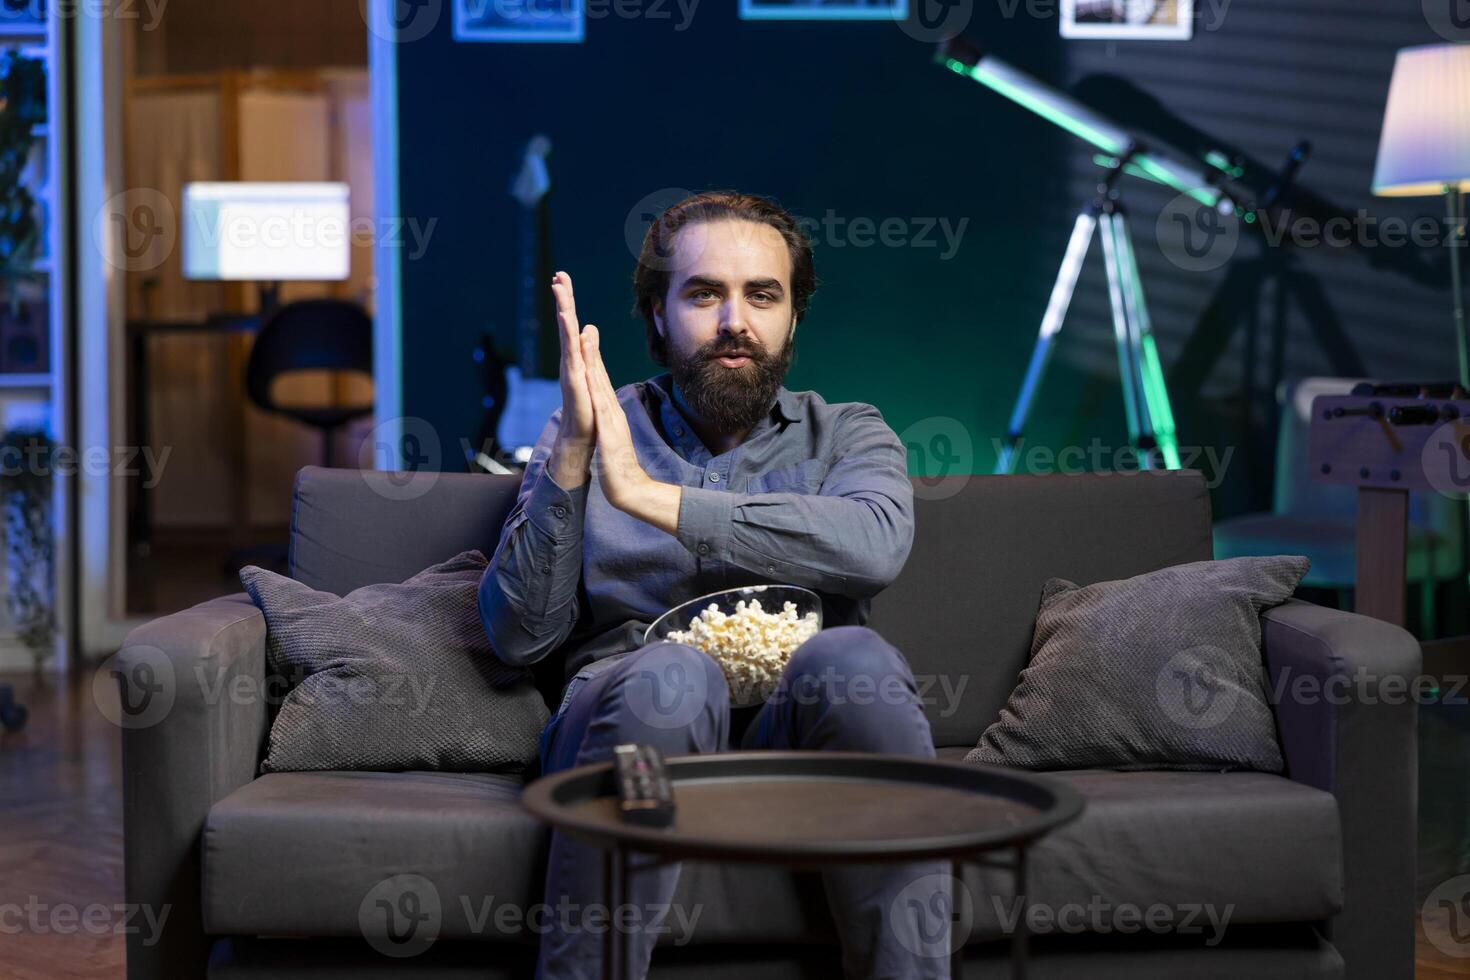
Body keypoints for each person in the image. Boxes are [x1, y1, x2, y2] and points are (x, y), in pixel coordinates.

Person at [479, 190, 947, 979]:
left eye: (762, 295)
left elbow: (874, 550)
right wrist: (573, 457)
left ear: (793, 318)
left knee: (856, 660)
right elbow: (518, 634)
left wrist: (647, 497)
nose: (735, 320)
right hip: (625, 729)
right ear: (657, 316)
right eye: (704, 293)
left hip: (793, 740)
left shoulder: (851, 433)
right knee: (672, 675)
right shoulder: (589, 426)